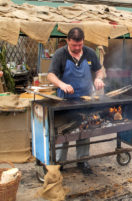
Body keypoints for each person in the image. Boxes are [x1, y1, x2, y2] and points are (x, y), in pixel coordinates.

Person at [47, 27, 105, 174]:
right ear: (68, 41)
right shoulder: (61, 54)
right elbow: (50, 75)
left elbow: (99, 70)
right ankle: (60, 162)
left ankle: (82, 160)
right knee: (63, 132)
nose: (77, 48)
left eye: (80, 45)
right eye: (74, 45)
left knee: (85, 129)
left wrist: (98, 78)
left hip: (86, 99)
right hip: (65, 101)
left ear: (83, 42)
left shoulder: (90, 52)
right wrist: (61, 84)